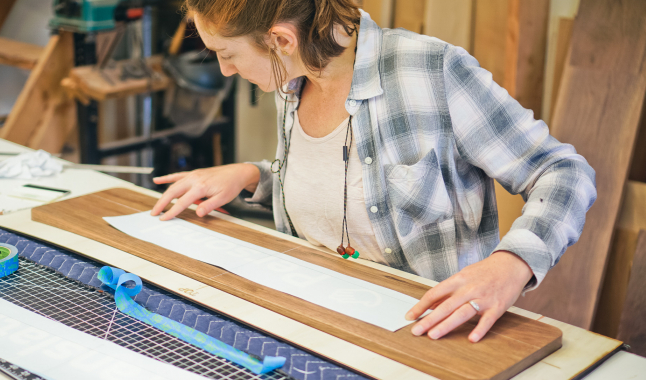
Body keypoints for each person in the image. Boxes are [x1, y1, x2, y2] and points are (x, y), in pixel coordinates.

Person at [151, 0, 596, 343]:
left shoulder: (431, 72)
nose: (226, 70)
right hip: (315, 313)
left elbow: (563, 171)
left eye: (227, 54)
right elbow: (341, 183)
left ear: (281, 39)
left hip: (423, 333)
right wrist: (253, 175)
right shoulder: (292, 78)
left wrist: (511, 264)